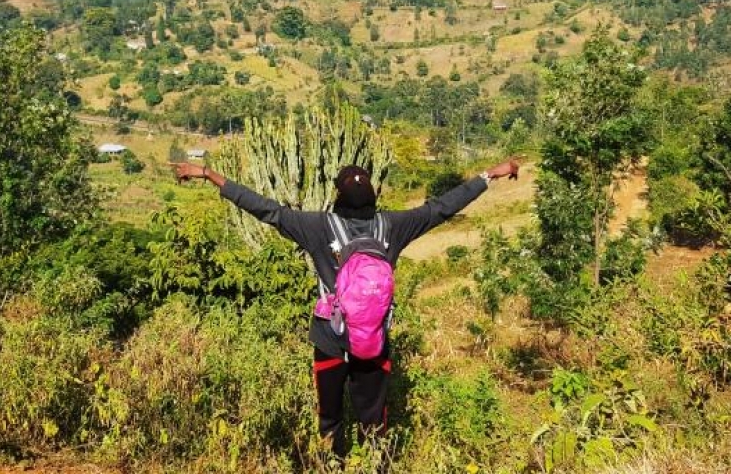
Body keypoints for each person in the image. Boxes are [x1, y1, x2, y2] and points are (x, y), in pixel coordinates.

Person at [171, 158, 519, 459]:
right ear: (373, 195)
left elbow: (267, 210)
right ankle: (376, 463)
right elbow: (443, 207)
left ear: (337, 196)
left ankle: (330, 463)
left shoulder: (317, 226)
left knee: (330, 417)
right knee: (374, 420)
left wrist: (209, 174)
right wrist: (490, 174)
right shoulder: (394, 226)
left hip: (329, 339)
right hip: (374, 340)